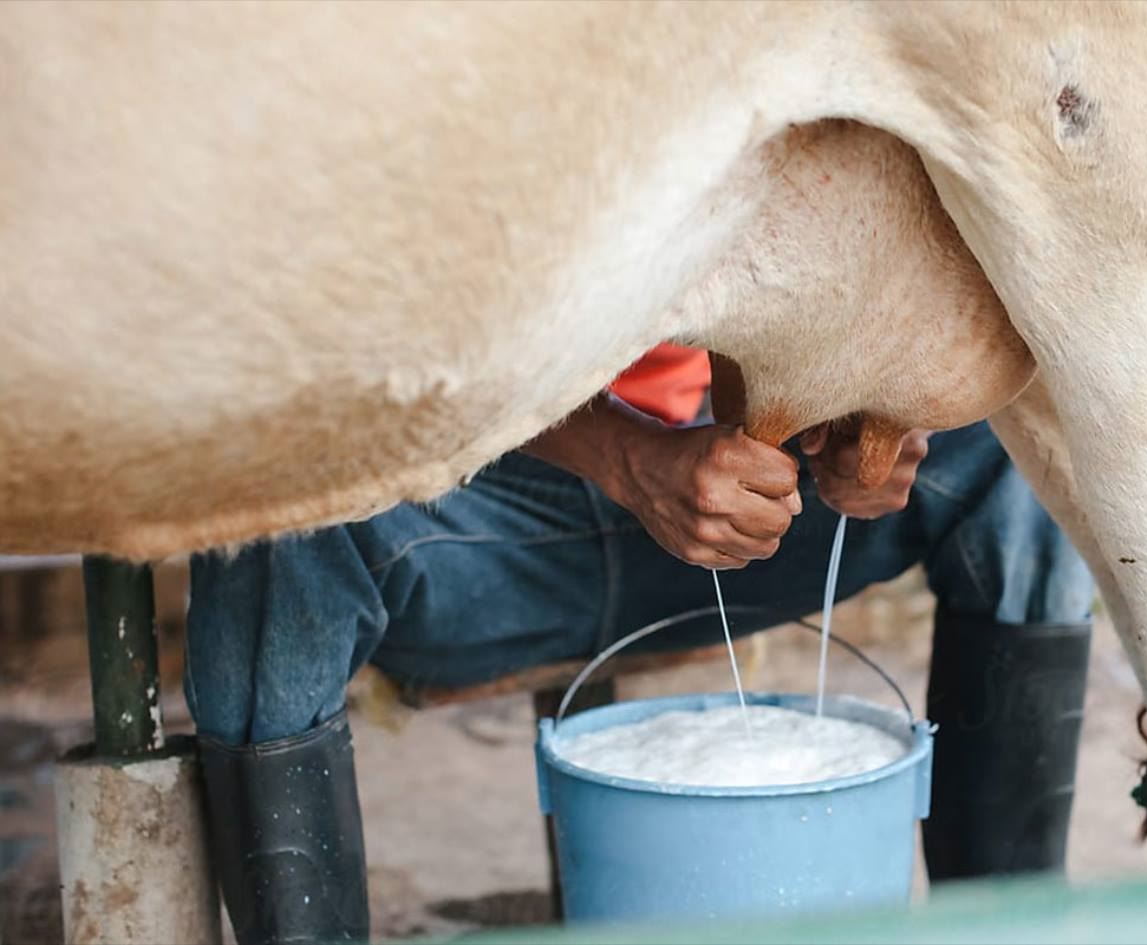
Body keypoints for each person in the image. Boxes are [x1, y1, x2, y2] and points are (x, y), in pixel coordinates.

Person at [186, 344, 1095, 944]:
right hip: (476, 523)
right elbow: (358, 348)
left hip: (740, 503)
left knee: (1025, 460)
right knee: (271, 524)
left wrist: (874, 418)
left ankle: (1006, 924)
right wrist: (623, 455)